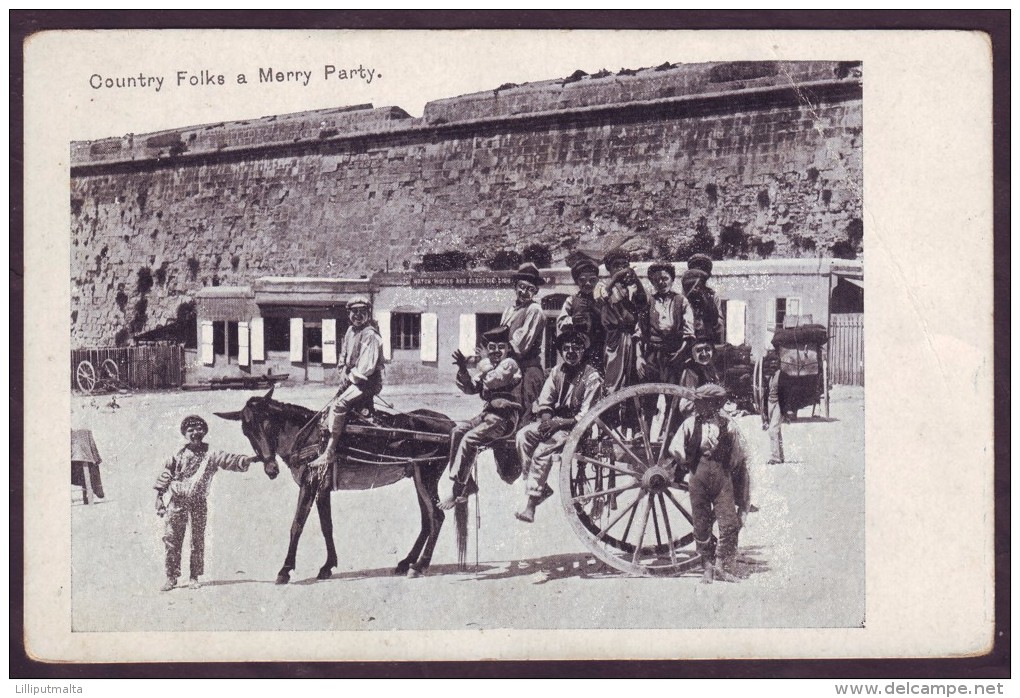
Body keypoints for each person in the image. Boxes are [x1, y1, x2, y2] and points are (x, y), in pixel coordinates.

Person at [154, 415, 258, 592]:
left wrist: (249, 460)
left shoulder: (212, 454)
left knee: (197, 539)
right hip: (177, 501)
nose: (195, 433)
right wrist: (159, 497)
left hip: (199, 502)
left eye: (199, 429)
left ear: (204, 431)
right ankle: (171, 577)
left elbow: (230, 460)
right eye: (191, 430)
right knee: (172, 539)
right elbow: (166, 474)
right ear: (184, 434)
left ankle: (194, 576)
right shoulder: (177, 454)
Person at [514, 329, 604, 523]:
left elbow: (587, 414)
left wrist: (559, 423)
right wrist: (547, 421)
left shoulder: (592, 377)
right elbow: (546, 401)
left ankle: (531, 503)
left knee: (542, 450)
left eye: (576, 348)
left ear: (583, 351)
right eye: (566, 349)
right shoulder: (557, 372)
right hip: (555, 423)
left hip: (577, 428)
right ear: (562, 352)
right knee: (523, 436)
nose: (570, 352)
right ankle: (540, 487)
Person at [668, 384, 751, 584]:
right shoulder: (689, 424)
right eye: (698, 403)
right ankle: (707, 567)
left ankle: (722, 565)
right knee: (701, 523)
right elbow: (675, 448)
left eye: (703, 403)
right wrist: (687, 463)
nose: (698, 406)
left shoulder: (727, 424)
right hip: (698, 476)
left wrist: (729, 467)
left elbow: (740, 452)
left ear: (714, 404)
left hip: (722, 477)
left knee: (729, 523)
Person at [438, 325, 523, 510]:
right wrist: (462, 368)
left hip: (505, 419)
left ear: (507, 348)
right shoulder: (488, 367)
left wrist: (483, 361)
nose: (496, 351)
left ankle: (458, 488)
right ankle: (467, 483)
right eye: (492, 347)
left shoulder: (509, 364)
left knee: (470, 439)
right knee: (457, 430)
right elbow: (470, 388)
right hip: (488, 416)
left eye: (500, 347)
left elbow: (494, 380)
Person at [309, 296, 384, 473]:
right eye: (354, 312)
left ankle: (330, 451)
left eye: (362, 312)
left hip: (367, 382)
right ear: (349, 314)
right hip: (353, 379)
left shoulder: (370, 334)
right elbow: (343, 356)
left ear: (368, 313)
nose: (358, 315)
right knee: (332, 406)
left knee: (339, 405)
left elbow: (366, 367)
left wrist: (349, 379)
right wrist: (342, 371)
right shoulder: (350, 331)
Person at [595, 250, 647, 399]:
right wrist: (616, 278)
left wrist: (636, 280)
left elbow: (643, 303)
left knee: (633, 380)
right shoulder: (602, 286)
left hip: (633, 337)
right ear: (609, 269)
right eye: (616, 266)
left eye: (624, 265)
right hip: (615, 339)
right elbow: (601, 297)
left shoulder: (632, 288)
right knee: (613, 381)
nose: (621, 269)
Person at [500, 262, 548, 423]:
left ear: (536, 291)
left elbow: (520, 347)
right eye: (521, 287)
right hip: (510, 368)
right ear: (515, 287)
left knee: (524, 416)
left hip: (528, 371)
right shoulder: (509, 310)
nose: (524, 292)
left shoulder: (535, 310)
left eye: (530, 289)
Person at [637, 261, 694, 386]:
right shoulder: (648, 301)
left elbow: (689, 331)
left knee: (673, 393)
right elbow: (639, 331)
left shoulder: (681, 301)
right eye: (656, 279)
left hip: (674, 353)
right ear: (652, 282)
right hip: (652, 354)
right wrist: (639, 357)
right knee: (650, 392)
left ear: (672, 280)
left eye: (665, 278)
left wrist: (680, 353)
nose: (661, 282)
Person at [556, 256, 606, 372]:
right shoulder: (571, 300)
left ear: (597, 281)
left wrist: (595, 309)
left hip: (599, 348)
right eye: (582, 280)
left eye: (592, 280)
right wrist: (572, 320)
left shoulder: (602, 301)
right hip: (577, 349)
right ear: (577, 281)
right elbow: (560, 322)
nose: (587, 284)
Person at [681, 266, 724, 345]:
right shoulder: (682, 301)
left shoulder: (710, 297)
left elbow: (717, 324)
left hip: (708, 340)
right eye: (694, 287)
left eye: (699, 287)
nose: (696, 290)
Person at [764, 369, 785, 464]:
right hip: (770, 403)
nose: (772, 365)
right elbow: (764, 395)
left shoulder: (783, 376)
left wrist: (787, 410)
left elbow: (787, 393)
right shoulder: (768, 377)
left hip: (779, 404)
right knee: (777, 430)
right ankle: (781, 455)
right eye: (770, 364)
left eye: (774, 362)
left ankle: (775, 457)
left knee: (773, 430)